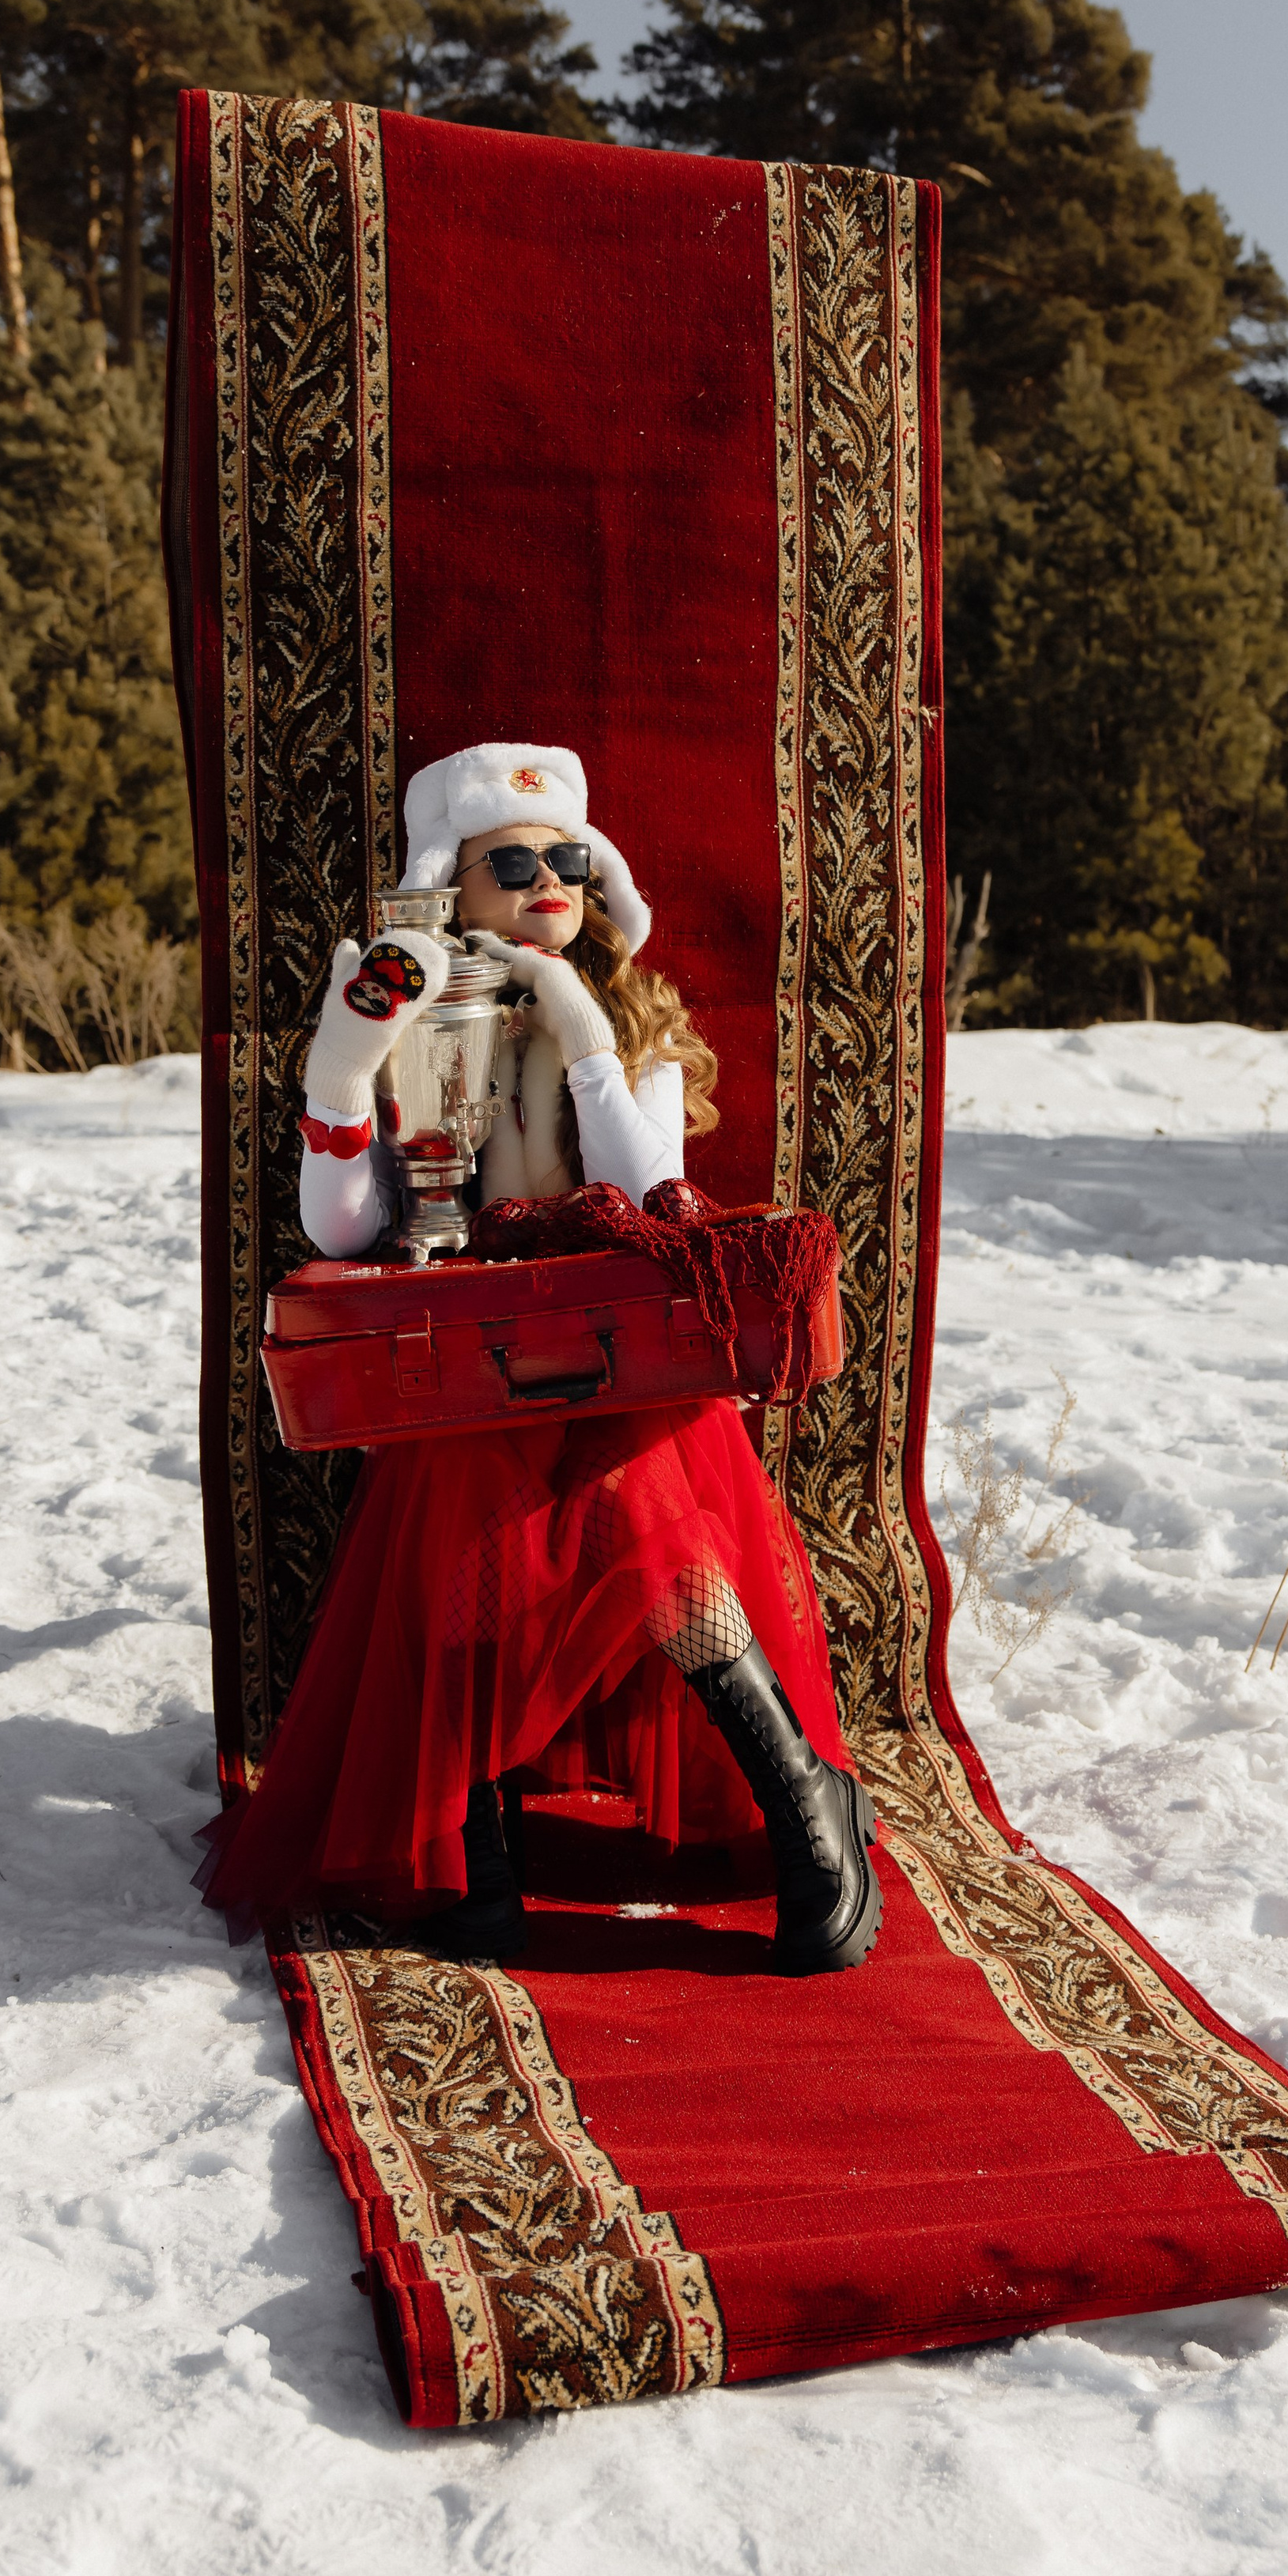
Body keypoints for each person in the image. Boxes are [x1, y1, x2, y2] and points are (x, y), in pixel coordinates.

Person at [200, 742, 881, 1974]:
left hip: (621, 1359)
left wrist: (581, 1031)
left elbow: (645, 1192)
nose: (545, 882)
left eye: (568, 859)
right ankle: (476, 1833)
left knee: (624, 1488)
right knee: (460, 1489)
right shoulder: (408, 1009)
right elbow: (347, 1228)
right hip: (466, 1356)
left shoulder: (630, 1013)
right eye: (509, 862)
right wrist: (343, 1075)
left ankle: (804, 1793)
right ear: (448, 888)